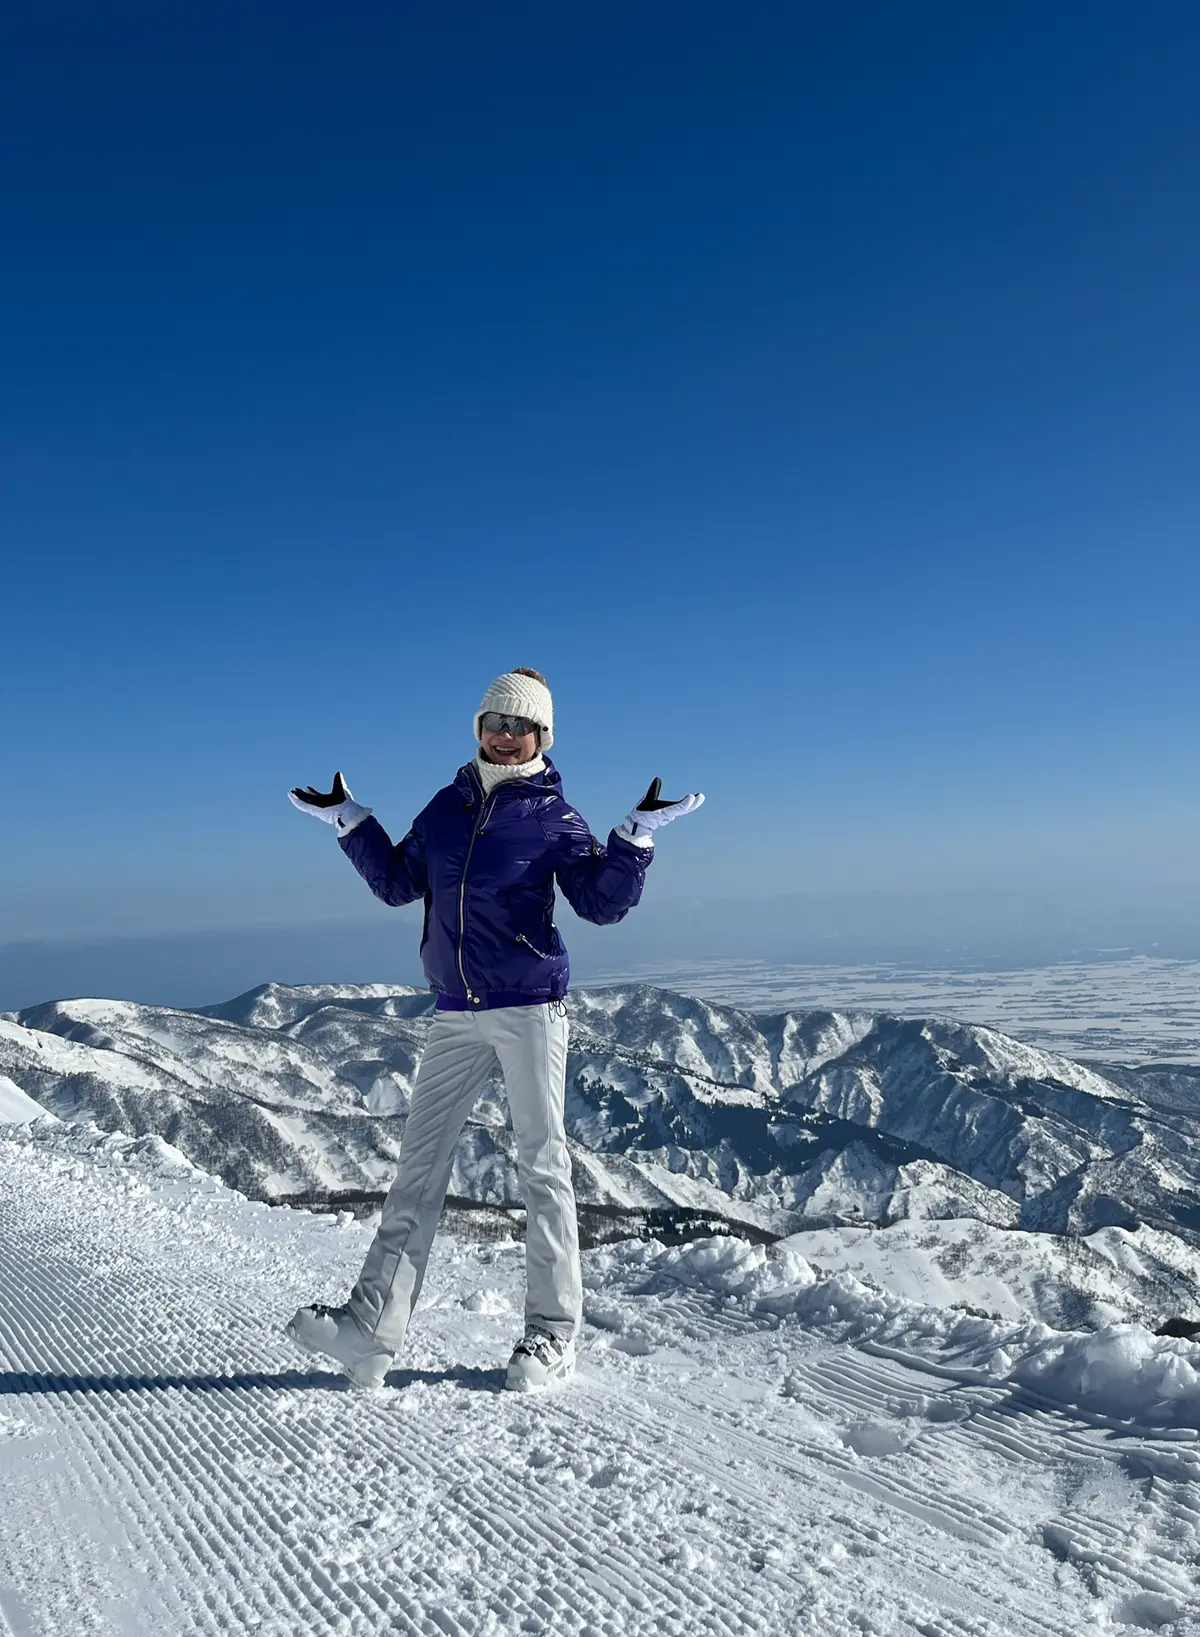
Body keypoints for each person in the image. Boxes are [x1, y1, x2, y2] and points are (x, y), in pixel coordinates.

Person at [284, 668, 704, 1391]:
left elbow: (600, 905)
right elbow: (397, 881)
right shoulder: (446, 807)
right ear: (478, 728)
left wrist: (634, 838)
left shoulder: (556, 819)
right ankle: (368, 1332)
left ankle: (551, 1337)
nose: (505, 736)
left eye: (520, 726)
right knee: (418, 1170)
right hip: (454, 1011)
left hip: (529, 1008)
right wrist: (349, 818)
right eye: (494, 723)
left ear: (542, 737)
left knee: (543, 1168)